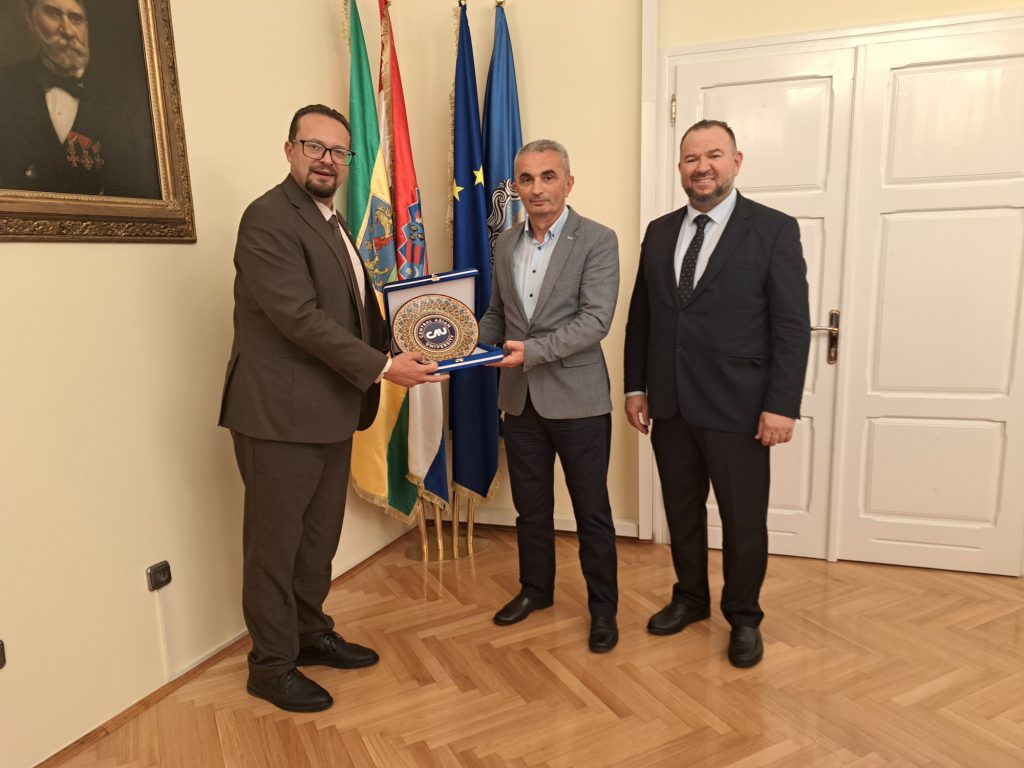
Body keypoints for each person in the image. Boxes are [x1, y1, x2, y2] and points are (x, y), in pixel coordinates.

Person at [219, 104, 445, 712]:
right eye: (314, 146)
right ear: (289, 149)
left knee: (317, 540)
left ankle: (309, 633)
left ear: (348, 161)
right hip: (278, 416)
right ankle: (271, 665)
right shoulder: (268, 218)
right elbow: (299, 318)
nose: (327, 159)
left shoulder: (332, 219)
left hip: (330, 410)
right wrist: (383, 368)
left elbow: (356, 312)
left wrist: (413, 339)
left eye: (338, 151)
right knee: (275, 548)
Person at [623, 120, 810, 668]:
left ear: (736, 161)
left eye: (714, 155)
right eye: (691, 158)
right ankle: (690, 598)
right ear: (680, 168)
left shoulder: (773, 229)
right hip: (670, 404)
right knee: (681, 511)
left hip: (740, 407)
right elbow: (641, 318)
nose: (702, 166)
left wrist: (781, 404)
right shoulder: (660, 231)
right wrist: (636, 386)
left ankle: (744, 617)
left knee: (742, 521)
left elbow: (791, 326)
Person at [481, 139, 620, 653]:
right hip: (519, 401)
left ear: (568, 183)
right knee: (530, 508)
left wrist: (531, 353)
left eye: (548, 176)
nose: (536, 188)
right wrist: (461, 347)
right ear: (515, 187)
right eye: (526, 178)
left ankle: (603, 609)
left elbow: (595, 321)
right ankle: (535, 591)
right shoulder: (505, 243)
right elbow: (498, 314)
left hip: (579, 400)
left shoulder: (598, 240)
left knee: (591, 511)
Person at [0, 0, 159, 197]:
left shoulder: (124, 108)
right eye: (53, 14)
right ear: (30, 18)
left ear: (87, 26)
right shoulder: (5, 87)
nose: (68, 31)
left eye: (76, 19)